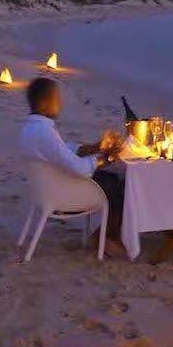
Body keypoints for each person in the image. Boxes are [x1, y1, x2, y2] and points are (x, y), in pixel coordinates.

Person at [18, 77, 127, 242]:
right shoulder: (44, 132)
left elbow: (64, 151)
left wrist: (97, 147)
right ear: (44, 104)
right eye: (57, 99)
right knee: (118, 186)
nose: (60, 104)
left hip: (45, 190)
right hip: (61, 196)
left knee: (108, 178)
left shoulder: (30, 128)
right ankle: (105, 239)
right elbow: (79, 168)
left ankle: (108, 236)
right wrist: (106, 158)